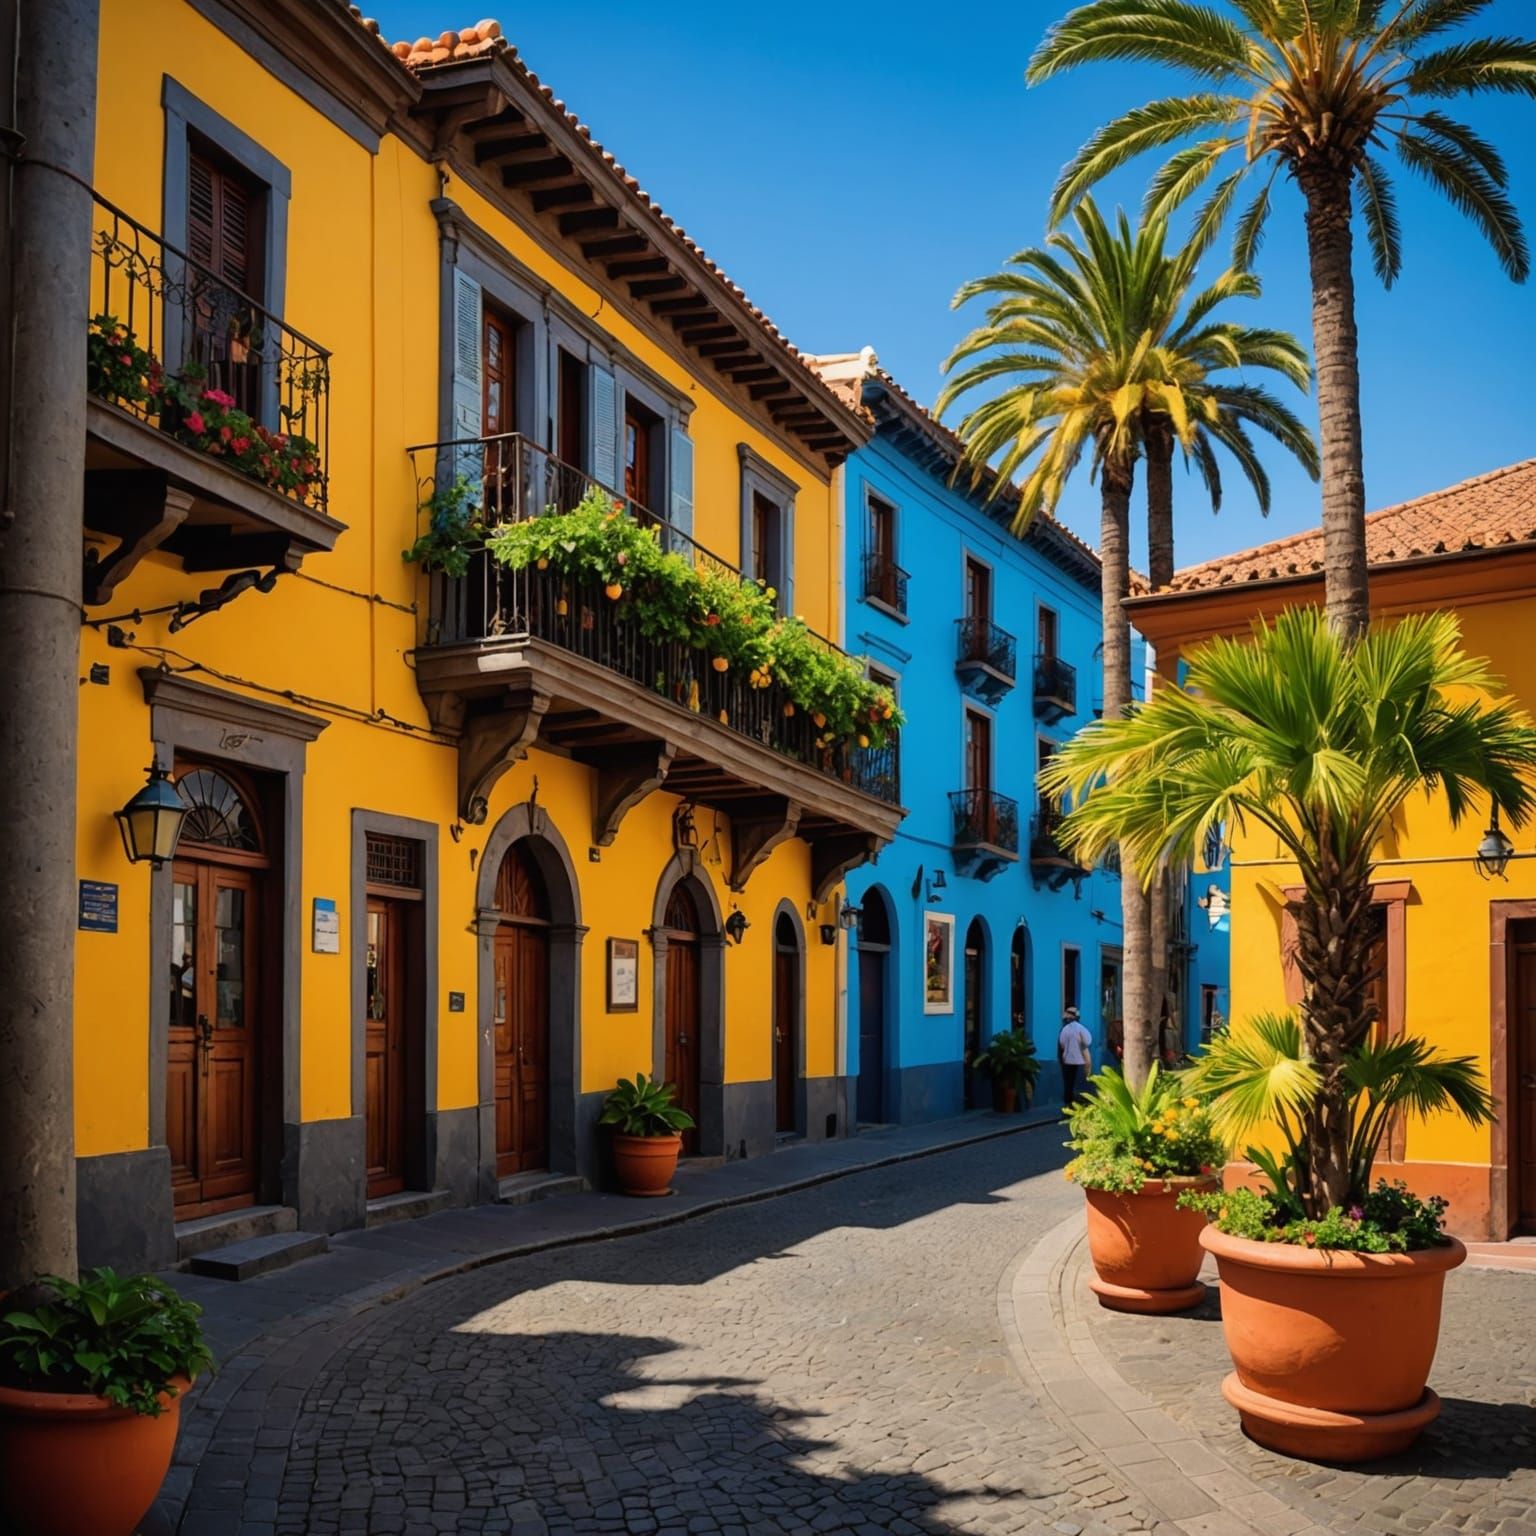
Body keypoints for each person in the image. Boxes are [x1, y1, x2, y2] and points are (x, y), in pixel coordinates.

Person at [1058, 1006, 1093, 1111]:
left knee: (1068, 1083)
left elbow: (1062, 1043)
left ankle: (1068, 1104)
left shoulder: (1064, 1030)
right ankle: (1079, 1105)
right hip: (1080, 1061)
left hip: (1067, 1061)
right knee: (1079, 1083)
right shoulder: (1081, 1029)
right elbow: (1088, 1041)